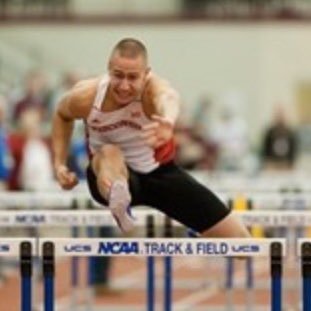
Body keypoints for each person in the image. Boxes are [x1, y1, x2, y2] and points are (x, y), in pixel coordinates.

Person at [52, 38, 250, 239]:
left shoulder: (152, 90)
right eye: (118, 76)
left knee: (241, 242)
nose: (124, 86)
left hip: (159, 176)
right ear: (108, 69)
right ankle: (120, 200)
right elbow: (61, 114)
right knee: (109, 151)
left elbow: (168, 97)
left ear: (146, 74)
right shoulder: (87, 97)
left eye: (132, 78)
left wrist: (168, 120)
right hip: (109, 173)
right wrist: (59, 164)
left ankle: (194, 227)